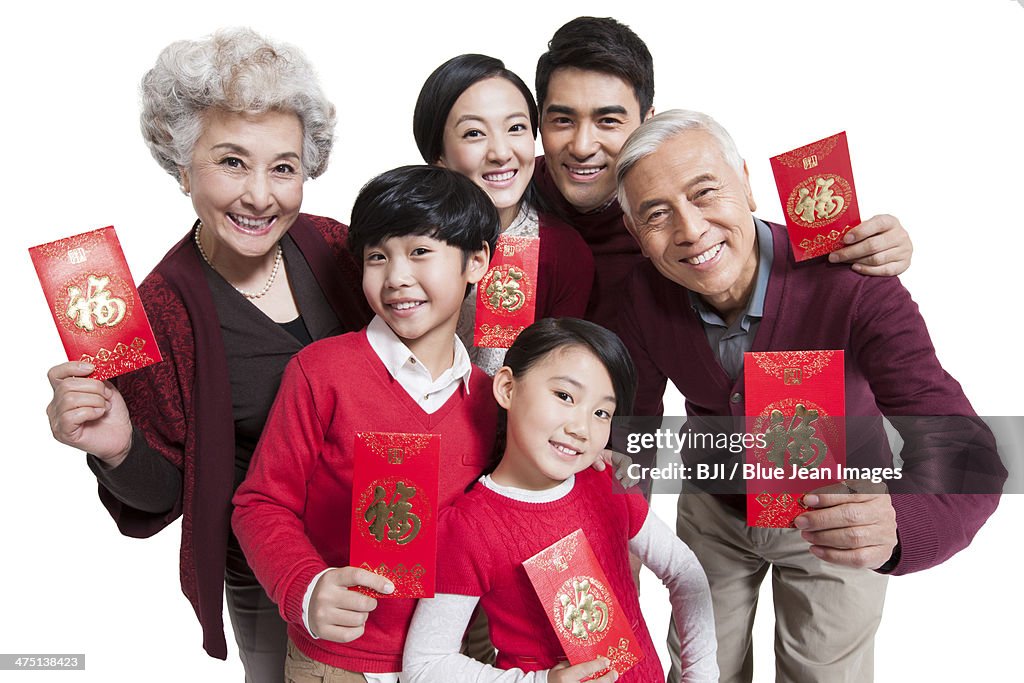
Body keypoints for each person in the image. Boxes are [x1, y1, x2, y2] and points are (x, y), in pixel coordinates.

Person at [613, 109, 1006, 682]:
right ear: (634, 235)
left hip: (839, 510)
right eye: (657, 215)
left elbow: (962, 445)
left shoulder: (850, 277)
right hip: (714, 509)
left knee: (822, 673)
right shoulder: (642, 297)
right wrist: (621, 528)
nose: (691, 230)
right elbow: (635, 429)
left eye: (706, 194)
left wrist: (898, 523)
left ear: (747, 183)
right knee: (699, 669)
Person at [43, 28, 370, 681]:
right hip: (270, 572)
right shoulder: (159, 310)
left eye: (283, 166)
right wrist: (115, 444)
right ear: (182, 162)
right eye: (231, 162)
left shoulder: (338, 246)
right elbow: (165, 490)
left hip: (389, 536)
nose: (259, 195)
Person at [231, 165, 501, 682]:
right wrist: (306, 588)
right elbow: (261, 502)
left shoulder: (493, 401)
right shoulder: (321, 371)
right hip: (336, 663)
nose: (396, 277)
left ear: (477, 261)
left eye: (420, 251)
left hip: (460, 661)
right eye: (378, 256)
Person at [530, 16, 914, 329]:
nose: (582, 146)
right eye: (562, 119)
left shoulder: (678, 227)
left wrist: (872, 244)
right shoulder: (507, 199)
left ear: (647, 122)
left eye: (609, 121)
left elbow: (736, 233)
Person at [402, 318, 718, 682]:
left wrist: (700, 674)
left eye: (601, 413)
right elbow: (425, 665)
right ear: (507, 387)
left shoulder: (604, 481)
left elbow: (683, 570)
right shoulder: (468, 527)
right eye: (564, 396)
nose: (580, 428)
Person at [413, 54, 594, 375]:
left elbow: (558, 376)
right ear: (438, 154)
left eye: (516, 128)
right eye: (474, 133)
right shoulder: (403, 239)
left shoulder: (563, 251)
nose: (500, 153)